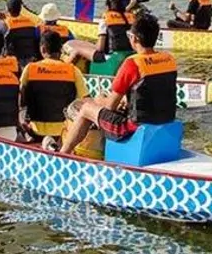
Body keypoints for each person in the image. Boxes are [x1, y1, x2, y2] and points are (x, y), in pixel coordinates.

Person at [60, 14, 177, 155]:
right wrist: (125, 100)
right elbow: (152, 90)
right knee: (100, 100)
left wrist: (99, 100)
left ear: (135, 38)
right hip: (165, 120)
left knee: (86, 108)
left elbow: (110, 107)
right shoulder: (169, 59)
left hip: (131, 128)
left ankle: (63, 154)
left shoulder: (132, 63)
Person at [19, 32, 89, 150]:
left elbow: (20, 100)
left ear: (43, 49)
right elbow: (85, 100)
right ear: (60, 49)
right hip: (63, 132)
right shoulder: (73, 70)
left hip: (35, 131)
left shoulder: (30, 68)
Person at [63, 0, 135, 66]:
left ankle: (65, 68)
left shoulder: (105, 20)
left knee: (75, 48)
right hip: (129, 53)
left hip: (109, 57)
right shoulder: (132, 18)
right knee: (78, 43)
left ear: (107, 6)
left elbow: (100, 48)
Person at [0, 0, 41, 65]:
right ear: (20, 9)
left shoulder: (4, 24)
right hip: (31, 59)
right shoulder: (32, 23)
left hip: (12, 62)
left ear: (7, 9)